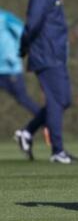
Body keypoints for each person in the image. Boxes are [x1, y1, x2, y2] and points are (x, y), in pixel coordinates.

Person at [17, 0, 78, 164]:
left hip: (54, 55)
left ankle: (27, 132)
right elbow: (32, 24)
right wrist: (23, 48)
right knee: (56, 101)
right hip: (45, 55)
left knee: (63, 100)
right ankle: (57, 151)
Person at [0, 8, 43, 160]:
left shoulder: (5, 17)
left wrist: (13, 55)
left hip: (9, 69)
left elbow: (23, 33)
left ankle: (44, 124)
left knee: (24, 100)